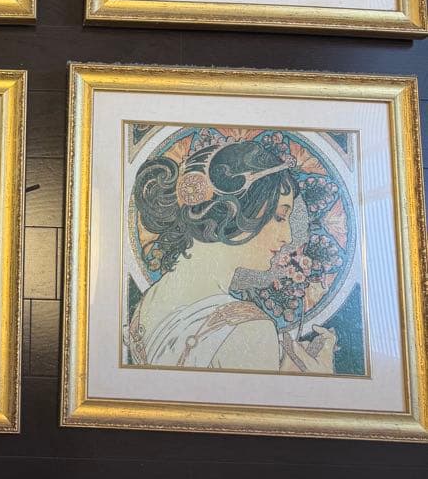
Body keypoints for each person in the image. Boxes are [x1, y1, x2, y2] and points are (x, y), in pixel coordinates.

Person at [128, 138, 336, 373]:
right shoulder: (249, 329)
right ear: (232, 210)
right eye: (279, 217)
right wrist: (317, 380)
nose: (287, 237)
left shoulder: (152, 298)